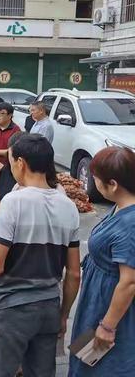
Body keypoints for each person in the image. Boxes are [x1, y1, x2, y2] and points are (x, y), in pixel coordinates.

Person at [0, 134, 81, 377]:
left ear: (20, 162)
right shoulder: (68, 206)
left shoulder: (14, 202)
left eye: (12, 161)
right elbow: (74, 273)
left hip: (13, 308)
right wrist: (63, 315)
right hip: (49, 308)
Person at [69, 147, 135, 377]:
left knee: (104, 367)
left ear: (113, 184)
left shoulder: (130, 224)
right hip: (96, 302)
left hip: (112, 311)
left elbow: (129, 282)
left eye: (96, 179)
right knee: (84, 361)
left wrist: (107, 326)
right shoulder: (119, 206)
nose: (93, 183)